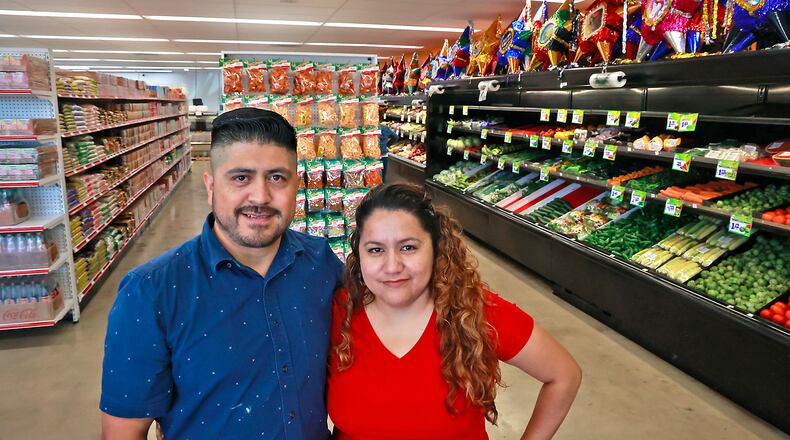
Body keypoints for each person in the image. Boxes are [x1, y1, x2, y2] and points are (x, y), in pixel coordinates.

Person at [100, 108, 343, 439]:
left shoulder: (322, 264)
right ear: (211, 186)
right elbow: (124, 431)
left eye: (276, 177)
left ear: (296, 185)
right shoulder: (150, 292)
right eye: (240, 177)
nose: (260, 196)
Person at [328, 184, 581, 440]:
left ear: (436, 249)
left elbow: (563, 375)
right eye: (376, 250)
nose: (392, 266)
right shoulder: (337, 313)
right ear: (359, 255)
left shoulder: (473, 311)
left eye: (408, 247)